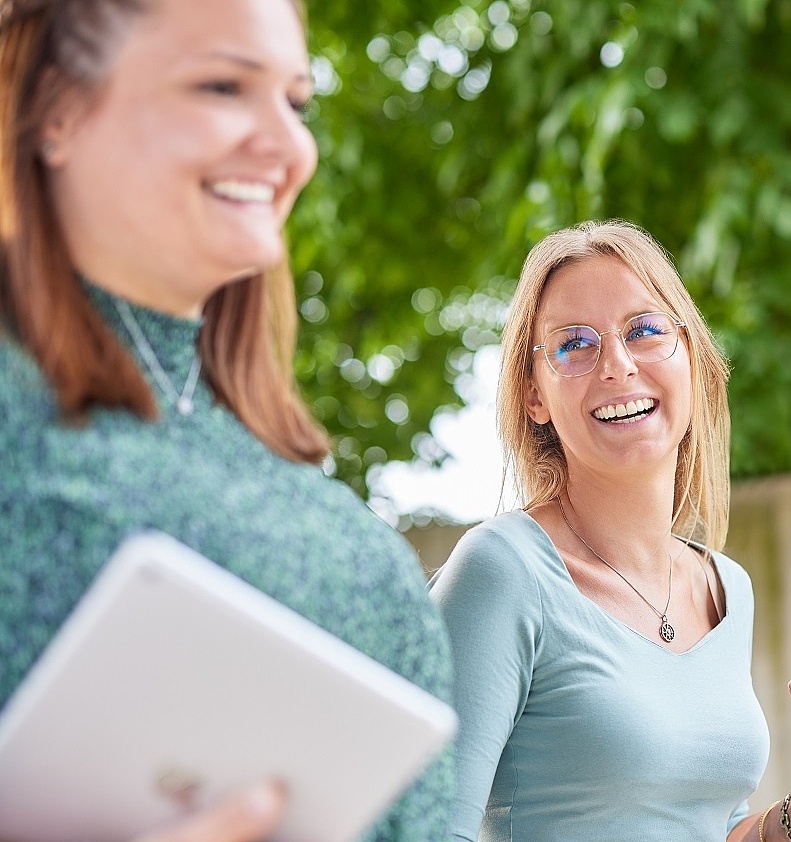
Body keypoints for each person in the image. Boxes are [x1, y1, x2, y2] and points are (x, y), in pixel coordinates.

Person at [0, 0, 453, 838]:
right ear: (55, 110)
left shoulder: (347, 542)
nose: (288, 147)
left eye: (296, 101)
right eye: (222, 86)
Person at [430, 219, 791, 841]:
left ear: (689, 359)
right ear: (534, 395)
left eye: (644, 331)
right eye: (574, 345)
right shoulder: (502, 570)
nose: (616, 365)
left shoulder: (725, 588)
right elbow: (421, 827)